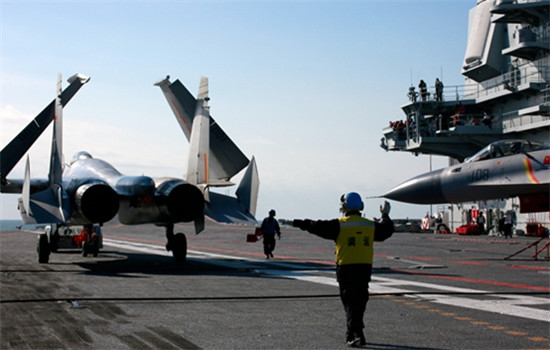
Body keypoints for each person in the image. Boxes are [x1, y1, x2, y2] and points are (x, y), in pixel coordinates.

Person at [293, 193, 394, 347]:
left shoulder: (339, 225)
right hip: (364, 269)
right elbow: (387, 230)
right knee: (360, 301)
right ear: (360, 206)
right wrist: (385, 214)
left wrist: (301, 223)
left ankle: (355, 332)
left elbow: (317, 226)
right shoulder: (369, 225)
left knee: (349, 302)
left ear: (344, 206)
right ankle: (354, 331)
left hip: (346, 269)